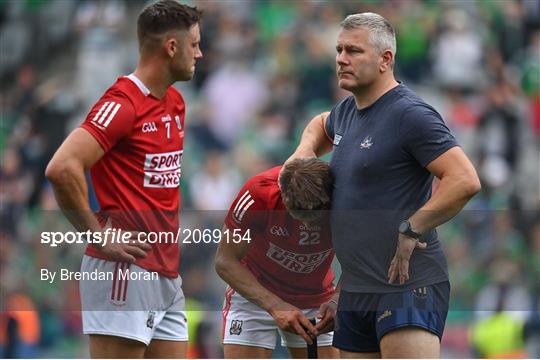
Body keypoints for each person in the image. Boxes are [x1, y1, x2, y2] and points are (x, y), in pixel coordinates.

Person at [285, 13, 481, 358]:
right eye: (339, 49)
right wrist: (303, 153)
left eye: (354, 51)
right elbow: (319, 124)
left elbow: (464, 179)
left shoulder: (410, 114)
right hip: (356, 290)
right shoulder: (347, 111)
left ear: (385, 59)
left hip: (406, 284)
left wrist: (413, 228)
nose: (341, 59)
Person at [45, 1, 202, 358]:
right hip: (124, 269)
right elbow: (62, 167)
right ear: (171, 47)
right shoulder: (123, 103)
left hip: (165, 271)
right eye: (194, 44)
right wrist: (97, 236)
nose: (200, 53)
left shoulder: (174, 102)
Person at [215, 158, 340, 358]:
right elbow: (225, 262)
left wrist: (338, 299)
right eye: (298, 216)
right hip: (254, 294)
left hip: (316, 299)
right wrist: (274, 305)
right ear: (283, 195)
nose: (306, 228)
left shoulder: (348, 198)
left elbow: (362, 259)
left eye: (315, 218)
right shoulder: (258, 193)